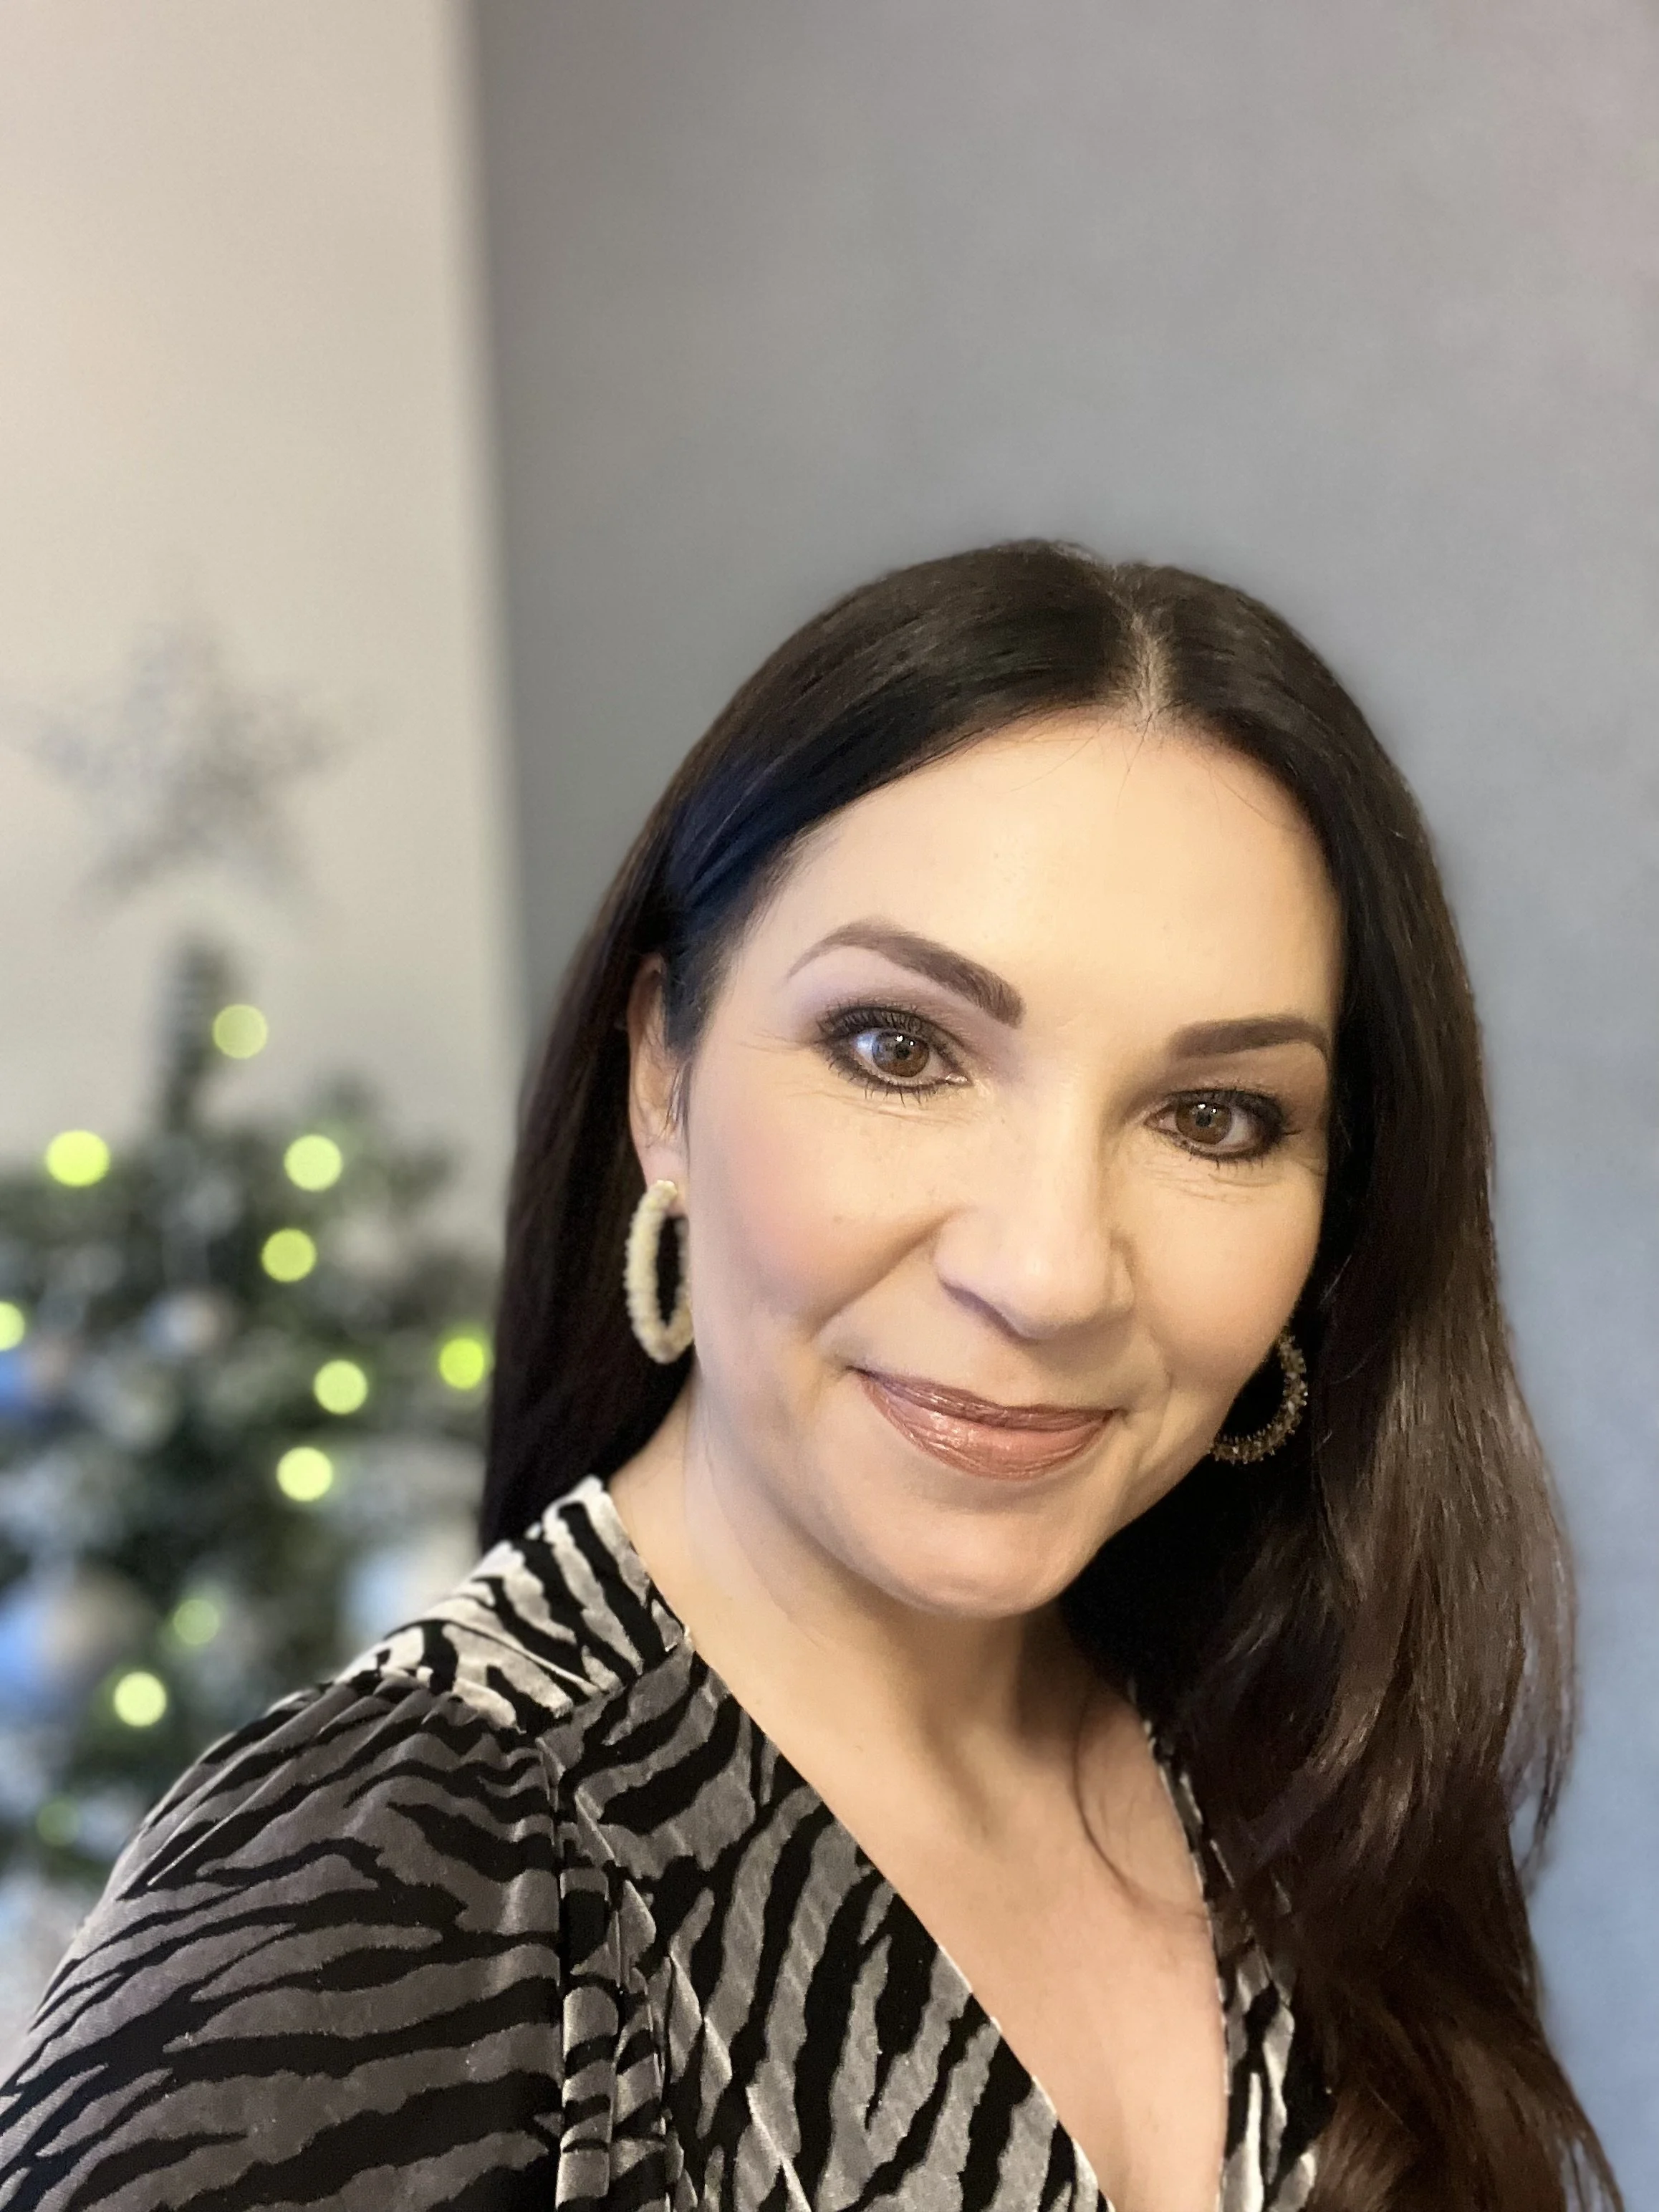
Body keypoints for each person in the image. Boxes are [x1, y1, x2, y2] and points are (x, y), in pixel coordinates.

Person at [0, 544, 1620, 2212]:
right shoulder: (368, 1903)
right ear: (662, 1077)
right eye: (900, 1047)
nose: (1051, 1268)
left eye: (1215, 1116)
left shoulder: (1292, 1765)